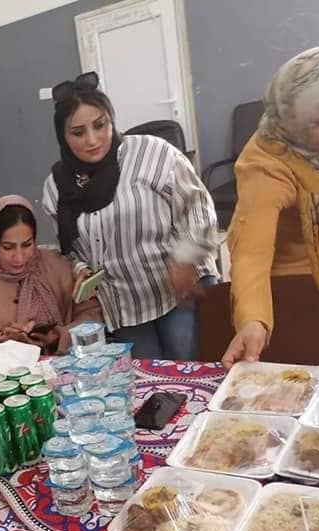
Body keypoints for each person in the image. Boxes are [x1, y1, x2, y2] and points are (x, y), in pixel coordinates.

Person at [42, 72, 221, 360]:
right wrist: (80, 269)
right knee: (147, 377)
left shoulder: (152, 154)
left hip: (179, 291)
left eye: (100, 125)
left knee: (191, 367)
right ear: (63, 137)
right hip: (125, 306)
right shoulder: (56, 188)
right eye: (78, 132)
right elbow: (70, 252)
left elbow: (199, 208)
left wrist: (185, 257)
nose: (92, 140)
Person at [223, 47, 319, 367]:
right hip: (288, 289)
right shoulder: (267, 160)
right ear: (296, 124)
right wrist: (253, 319)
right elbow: (251, 251)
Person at [0, 195, 103, 353]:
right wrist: (2, 341)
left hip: (65, 363)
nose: (19, 258)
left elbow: (91, 314)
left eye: (27, 245)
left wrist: (61, 336)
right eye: (8, 247)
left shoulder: (58, 265)